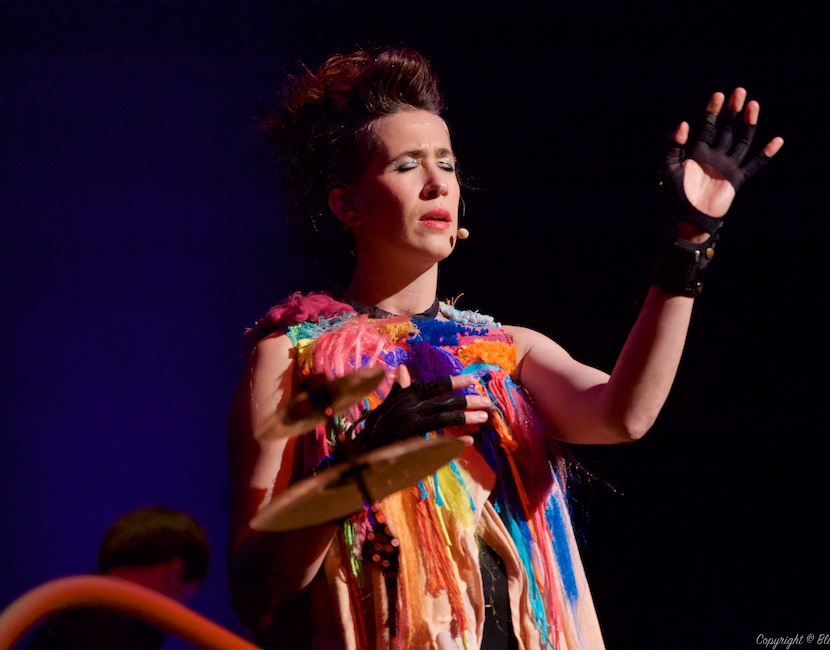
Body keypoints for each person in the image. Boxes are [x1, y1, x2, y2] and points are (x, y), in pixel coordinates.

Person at [227, 46, 783, 649]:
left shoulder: (505, 350)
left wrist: (689, 243)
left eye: (447, 162)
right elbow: (258, 593)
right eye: (408, 165)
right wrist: (357, 467)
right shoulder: (291, 355)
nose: (438, 182)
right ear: (347, 205)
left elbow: (625, 415)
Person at [29, 505, 210, 650]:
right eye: (188, 592)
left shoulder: (80, 606)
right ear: (173, 572)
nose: (182, 607)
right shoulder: (102, 620)